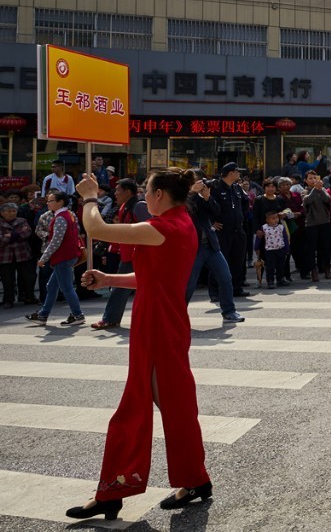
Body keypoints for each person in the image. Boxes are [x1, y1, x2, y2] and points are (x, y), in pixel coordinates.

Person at [66, 170, 212, 521]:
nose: (145, 198)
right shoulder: (179, 224)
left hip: (158, 327)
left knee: (136, 409)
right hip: (163, 323)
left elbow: (96, 229)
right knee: (176, 409)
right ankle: (194, 481)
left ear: (160, 194)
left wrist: (88, 197)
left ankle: (113, 493)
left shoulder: (161, 227)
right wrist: (107, 278)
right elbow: (151, 278)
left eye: (147, 191)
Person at [183, 176, 243, 323]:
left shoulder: (201, 197)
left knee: (225, 277)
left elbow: (216, 211)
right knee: (189, 284)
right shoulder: (182, 197)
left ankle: (229, 311)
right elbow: (182, 211)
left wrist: (207, 197)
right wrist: (191, 193)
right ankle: (177, 313)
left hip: (210, 245)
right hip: (193, 247)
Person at [93, 179, 150, 329]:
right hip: (127, 254)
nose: (115, 193)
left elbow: (150, 230)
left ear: (128, 192)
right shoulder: (123, 207)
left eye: (118, 190)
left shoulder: (139, 206)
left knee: (119, 288)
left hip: (137, 255)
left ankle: (110, 318)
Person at [26, 190, 85, 326]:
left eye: (51, 201)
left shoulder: (60, 217)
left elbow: (55, 241)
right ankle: (43, 315)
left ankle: (77, 315)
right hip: (67, 255)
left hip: (63, 257)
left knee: (67, 288)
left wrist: (44, 258)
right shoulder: (68, 214)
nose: (48, 203)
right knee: (51, 286)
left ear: (60, 202)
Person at [210, 162, 250, 298]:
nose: (239, 174)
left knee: (238, 261)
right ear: (231, 173)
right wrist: (212, 223)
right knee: (220, 261)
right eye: (237, 171)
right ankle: (215, 291)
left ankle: (236, 287)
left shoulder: (237, 188)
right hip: (222, 231)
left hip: (237, 230)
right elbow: (207, 205)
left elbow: (245, 203)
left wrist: (242, 218)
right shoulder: (215, 188)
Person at [1, 202, 34, 309]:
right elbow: (1, 238)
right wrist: (17, 236)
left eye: (14, 211)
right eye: (9, 211)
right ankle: (8, 299)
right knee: (7, 279)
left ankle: (29, 296)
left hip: (23, 254)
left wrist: (11, 236)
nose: (12, 213)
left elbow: (27, 232)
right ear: (2, 213)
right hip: (5, 255)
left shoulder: (22, 221)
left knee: (28, 277)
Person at [302, 170, 331, 280]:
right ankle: (313, 270)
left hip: (325, 222)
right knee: (311, 248)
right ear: (305, 180)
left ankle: (327, 268)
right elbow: (307, 201)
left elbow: (328, 199)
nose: (313, 180)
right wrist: (315, 189)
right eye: (310, 178)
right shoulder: (304, 191)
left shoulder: (323, 190)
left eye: (315, 178)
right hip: (311, 223)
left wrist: (320, 190)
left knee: (326, 247)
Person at [258, 209, 290, 289]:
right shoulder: (264, 227)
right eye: (273, 218)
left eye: (276, 218)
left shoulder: (281, 227)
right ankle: (270, 281)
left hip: (280, 249)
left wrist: (287, 249)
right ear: (267, 220)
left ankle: (280, 280)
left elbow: (285, 238)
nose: (275, 220)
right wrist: (256, 247)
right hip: (270, 250)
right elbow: (259, 238)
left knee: (281, 266)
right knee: (270, 267)